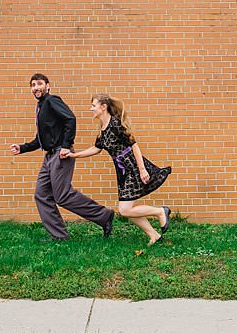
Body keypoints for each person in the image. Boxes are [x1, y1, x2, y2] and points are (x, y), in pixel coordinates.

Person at [9, 73, 115, 240]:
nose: (36, 87)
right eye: (33, 85)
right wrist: (22, 148)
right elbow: (41, 139)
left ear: (48, 86)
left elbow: (70, 119)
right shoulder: (41, 107)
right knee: (42, 194)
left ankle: (104, 215)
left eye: (39, 84)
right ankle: (60, 236)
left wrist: (66, 146)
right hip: (49, 157)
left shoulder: (52, 101)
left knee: (62, 195)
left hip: (61, 154)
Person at [61, 93, 172, 246]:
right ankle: (154, 235)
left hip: (132, 167)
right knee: (127, 208)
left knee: (125, 209)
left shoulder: (115, 124)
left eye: (93, 105)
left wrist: (142, 169)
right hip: (122, 172)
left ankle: (160, 211)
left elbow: (134, 145)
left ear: (103, 107)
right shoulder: (103, 129)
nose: (91, 109)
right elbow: (96, 148)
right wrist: (74, 155)